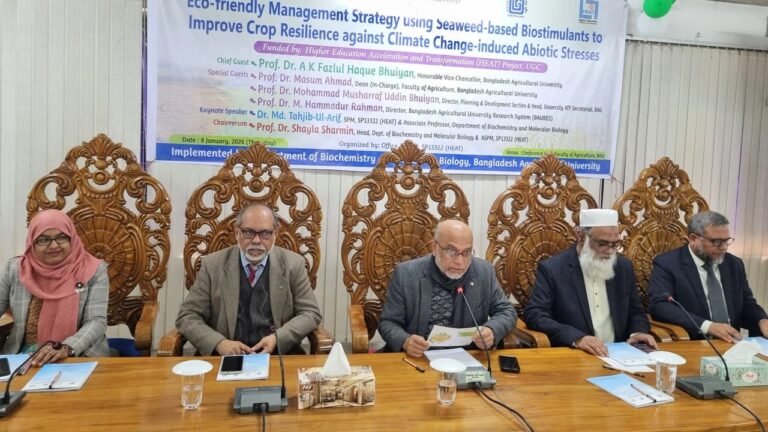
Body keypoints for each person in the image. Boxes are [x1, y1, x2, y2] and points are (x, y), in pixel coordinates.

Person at [176, 204, 322, 355]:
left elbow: (310, 313)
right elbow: (187, 316)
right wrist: (219, 343)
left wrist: (278, 339)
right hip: (225, 357)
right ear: (237, 232)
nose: (256, 240)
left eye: (265, 233)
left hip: (278, 355)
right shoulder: (212, 265)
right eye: (248, 232)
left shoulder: (294, 264)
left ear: (275, 233)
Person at [524, 209, 657, 356]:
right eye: (602, 243)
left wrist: (637, 332)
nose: (610, 251)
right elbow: (535, 314)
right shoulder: (553, 269)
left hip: (619, 353)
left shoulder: (623, 267)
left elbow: (636, 311)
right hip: (576, 353)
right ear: (581, 236)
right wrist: (577, 338)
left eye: (614, 244)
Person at [378, 219, 516, 358]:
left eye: (466, 252)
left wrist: (492, 330)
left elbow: (507, 311)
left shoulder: (483, 272)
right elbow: (388, 322)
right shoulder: (406, 274)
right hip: (418, 358)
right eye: (451, 251)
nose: (459, 261)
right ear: (434, 247)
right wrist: (405, 341)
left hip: (465, 357)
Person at [0, 209, 110, 366]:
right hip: (22, 355)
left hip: (78, 353)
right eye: (44, 239)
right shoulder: (16, 268)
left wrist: (67, 347)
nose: (54, 245)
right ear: (32, 242)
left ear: (72, 237)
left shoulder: (93, 270)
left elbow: (96, 321)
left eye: (62, 237)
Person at [648, 211, 768, 342]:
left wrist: (762, 320)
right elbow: (660, 306)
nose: (723, 247)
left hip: (733, 343)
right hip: (695, 342)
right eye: (717, 241)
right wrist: (707, 326)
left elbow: (746, 303)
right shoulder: (668, 264)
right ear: (693, 238)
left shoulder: (733, 264)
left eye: (726, 241)